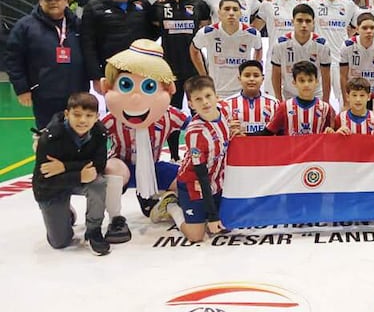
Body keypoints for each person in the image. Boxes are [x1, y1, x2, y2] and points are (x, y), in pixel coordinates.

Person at [101, 39, 187, 243]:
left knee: (186, 178)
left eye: (149, 86)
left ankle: (163, 204)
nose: (137, 98)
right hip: (124, 167)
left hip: (152, 168)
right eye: (126, 85)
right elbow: (86, 135)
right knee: (112, 169)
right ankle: (116, 220)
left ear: (169, 89)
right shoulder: (113, 119)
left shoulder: (168, 115)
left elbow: (195, 126)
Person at [151, 76, 233, 241]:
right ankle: (172, 205)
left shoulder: (225, 110)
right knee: (196, 236)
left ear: (217, 96)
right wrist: (212, 216)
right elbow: (201, 176)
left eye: (208, 96)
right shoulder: (195, 132)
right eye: (198, 99)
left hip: (218, 180)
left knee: (229, 222)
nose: (205, 102)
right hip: (193, 183)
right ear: (190, 104)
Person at [32, 92, 110, 255]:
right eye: (77, 115)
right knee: (60, 242)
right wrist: (78, 175)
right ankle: (65, 212)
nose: (83, 120)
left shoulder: (99, 133)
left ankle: (93, 231)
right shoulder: (50, 138)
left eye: (89, 116)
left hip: (75, 177)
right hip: (51, 188)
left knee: (98, 182)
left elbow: (99, 164)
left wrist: (64, 167)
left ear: (97, 117)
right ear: (67, 114)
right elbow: (44, 180)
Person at [6, 0, 88, 131]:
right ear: (40, 0)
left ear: (65, 0)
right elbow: (13, 59)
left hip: (77, 93)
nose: (53, 2)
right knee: (48, 137)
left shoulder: (78, 25)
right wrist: (22, 89)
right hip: (44, 95)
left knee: (78, 135)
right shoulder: (25, 26)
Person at [154, 0, 211, 160]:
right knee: (173, 112)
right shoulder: (158, 6)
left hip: (194, 66)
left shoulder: (199, 5)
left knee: (200, 109)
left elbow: (205, 31)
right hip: (169, 67)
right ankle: (174, 156)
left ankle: (202, 152)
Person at [80, 0, 158, 94]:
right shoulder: (93, 7)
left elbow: (152, 34)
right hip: (110, 70)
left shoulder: (143, 4)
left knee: (140, 106)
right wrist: (95, 76)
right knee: (114, 109)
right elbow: (87, 44)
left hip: (140, 69)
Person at [190, 0, 263, 98]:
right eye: (227, 9)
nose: (231, 13)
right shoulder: (207, 32)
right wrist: (203, 75)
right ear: (219, 13)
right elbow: (194, 50)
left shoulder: (252, 34)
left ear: (240, 13)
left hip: (242, 91)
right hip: (216, 90)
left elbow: (258, 50)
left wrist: (252, 72)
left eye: (235, 9)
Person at [307, 0, 358, 106]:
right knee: (319, 97)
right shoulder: (313, 4)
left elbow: (360, 22)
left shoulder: (349, 5)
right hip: (317, 59)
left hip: (340, 60)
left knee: (345, 97)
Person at [271, 3, 331, 102]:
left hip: (315, 95)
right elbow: (276, 74)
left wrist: (326, 101)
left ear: (313, 23)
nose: (304, 25)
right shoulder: (280, 44)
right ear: (292, 22)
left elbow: (326, 76)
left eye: (308, 21)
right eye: (299, 20)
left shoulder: (322, 45)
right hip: (290, 95)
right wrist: (278, 99)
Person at [263, 61, 335, 135]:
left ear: (316, 82)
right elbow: (268, 131)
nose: (306, 85)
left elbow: (327, 135)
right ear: (294, 82)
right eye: (302, 81)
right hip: (291, 146)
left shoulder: (325, 108)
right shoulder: (284, 107)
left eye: (310, 80)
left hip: (317, 147)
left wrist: (331, 132)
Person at [340, 12, 374, 112]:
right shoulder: (348, 46)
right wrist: (346, 101)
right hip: (353, 92)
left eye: (372, 27)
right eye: (365, 28)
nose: (369, 31)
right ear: (357, 29)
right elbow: (343, 76)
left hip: (373, 93)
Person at [224, 60, 277, 135]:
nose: (251, 79)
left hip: (266, 146)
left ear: (262, 79)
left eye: (256, 75)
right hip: (239, 146)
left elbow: (278, 131)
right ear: (239, 79)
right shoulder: (227, 104)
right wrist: (227, 128)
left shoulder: (274, 103)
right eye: (247, 75)